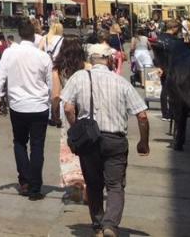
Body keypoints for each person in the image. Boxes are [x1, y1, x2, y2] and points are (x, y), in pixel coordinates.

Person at [62, 44, 150, 237]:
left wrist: (75, 126)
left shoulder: (78, 77)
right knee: (115, 185)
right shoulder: (121, 82)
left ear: (90, 60)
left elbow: (68, 108)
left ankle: (98, 223)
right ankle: (110, 225)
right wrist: (144, 142)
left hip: (89, 140)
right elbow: (142, 115)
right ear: (110, 60)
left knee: (93, 184)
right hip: (115, 140)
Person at [0, 19, 54, 201]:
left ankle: (24, 181)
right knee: (37, 146)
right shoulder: (43, 56)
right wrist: (51, 104)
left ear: (19, 34)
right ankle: (35, 188)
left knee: (19, 142)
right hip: (39, 106)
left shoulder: (10, 53)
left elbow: (0, 76)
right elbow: (50, 83)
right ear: (34, 35)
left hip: (18, 105)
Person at [51, 37, 88, 201]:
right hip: (85, 109)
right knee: (87, 146)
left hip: (67, 111)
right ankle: (88, 184)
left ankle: (75, 184)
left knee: (70, 147)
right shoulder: (86, 67)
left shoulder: (58, 69)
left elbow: (56, 95)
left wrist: (54, 113)